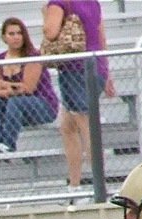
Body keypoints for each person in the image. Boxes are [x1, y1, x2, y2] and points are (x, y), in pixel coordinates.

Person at [42, 0, 115, 190]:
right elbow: (101, 37)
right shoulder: (92, 3)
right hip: (95, 66)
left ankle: (100, 186)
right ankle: (74, 185)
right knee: (67, 127)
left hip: (75, 69)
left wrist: (46, 15)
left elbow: (50, 32)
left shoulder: (59, 3)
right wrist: (107, 72)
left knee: (85, 124)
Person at [0, 17, 58, 155]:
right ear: (4, 37)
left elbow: (28, 88)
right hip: (13, 108)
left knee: (15, 101)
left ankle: (8, 145)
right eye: (11, 34)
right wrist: (8, 89)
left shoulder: (32, 57)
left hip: (42, 105)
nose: (16, 37)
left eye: (19, 33)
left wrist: (5, 85)